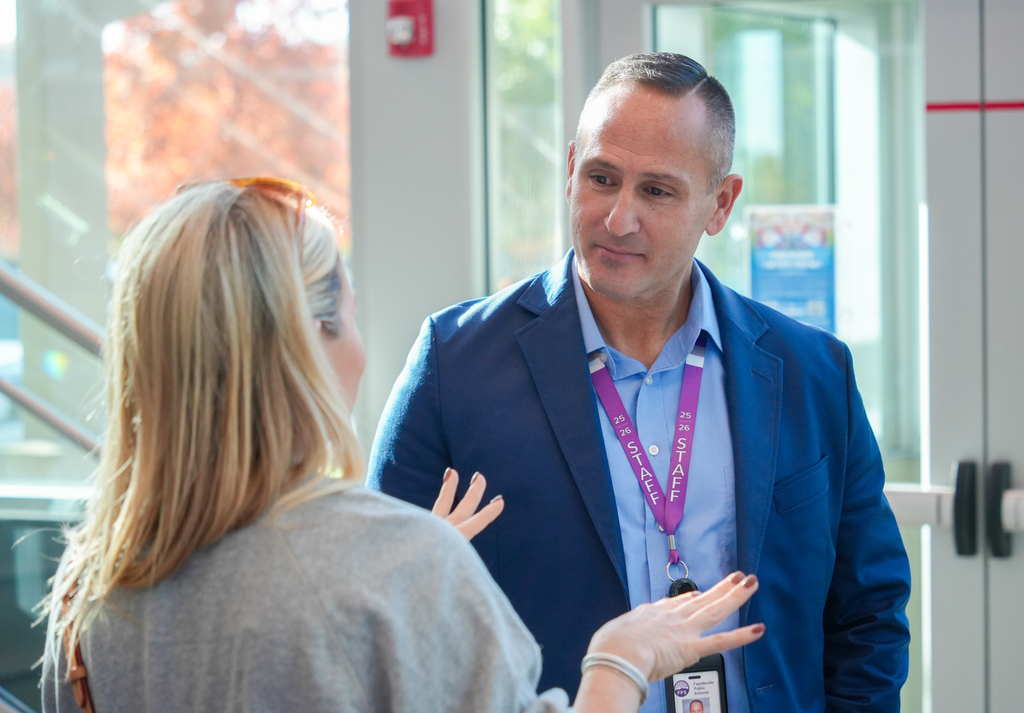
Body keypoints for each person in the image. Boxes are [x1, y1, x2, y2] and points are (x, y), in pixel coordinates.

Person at [40, 179, 764, 713]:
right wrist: (622, 656)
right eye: (350, 312)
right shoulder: (398, 565)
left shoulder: (89, 591)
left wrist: (407, 572)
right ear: (307, 342)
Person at [368, 53, 912, 712]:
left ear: (721, 203)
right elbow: (381, 613)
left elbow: (868, 611)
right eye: (601, 178)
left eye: (656, 190)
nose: (619, 217)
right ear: (571, 169)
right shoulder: (453, 367)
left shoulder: (812, 372)